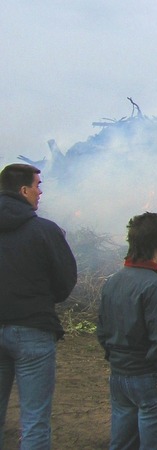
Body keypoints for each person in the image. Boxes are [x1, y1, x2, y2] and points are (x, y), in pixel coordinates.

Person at [97, 212, 157, 450]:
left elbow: (102, 331)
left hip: (119, 377)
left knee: (122, 445)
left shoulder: (113, 282)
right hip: (152, 382)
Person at [0, 163, 77, 448]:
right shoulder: (44, 230)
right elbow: (65, 280)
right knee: (34, 420)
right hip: (33, 330)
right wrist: (41, 299)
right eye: (37, 185)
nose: (40, 191)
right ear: (23, 190)